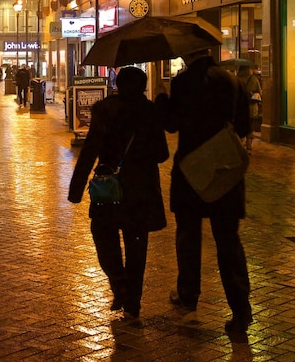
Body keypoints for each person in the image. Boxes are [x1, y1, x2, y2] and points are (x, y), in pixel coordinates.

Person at [159, 47, 252, 335]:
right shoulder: (233, 81)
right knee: (228, 241)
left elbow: (171, 125)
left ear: (189, 54)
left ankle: (188, 294)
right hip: (225, 169)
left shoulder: (183, 83)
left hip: (191, 171)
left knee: (188, 234)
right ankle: (240, 310)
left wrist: (163, 99)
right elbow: (245, 126)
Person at [68, 67, 168, 319]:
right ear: (143, 86)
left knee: (104, 236)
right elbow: (162, 154)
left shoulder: (105, 110)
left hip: (108, 189)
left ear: (117, 84)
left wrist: (76, 189)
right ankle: (133, 301)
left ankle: (118, 281)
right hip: (140, 191)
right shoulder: (150, 112)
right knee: (137, 247)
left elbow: (90, 150)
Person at [237, 65, 263, 153]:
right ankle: (249, 147)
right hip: (252, 108)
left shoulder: (237, 80)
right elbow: (259, 92)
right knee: (250, 127)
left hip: (240, 108)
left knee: (240, 127)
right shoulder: (254, 79)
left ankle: (241, 145)